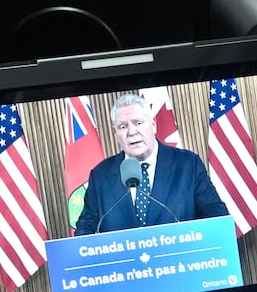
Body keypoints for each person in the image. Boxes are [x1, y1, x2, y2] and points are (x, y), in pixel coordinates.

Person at [72, 92, 231, 235]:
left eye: (138, 123)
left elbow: (216, 217)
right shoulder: (101, 175)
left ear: (153, 125)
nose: (132, 132)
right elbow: (85, 231)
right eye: (123, 126)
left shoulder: (188, 165)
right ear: (115, 133)